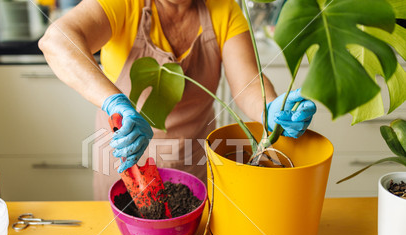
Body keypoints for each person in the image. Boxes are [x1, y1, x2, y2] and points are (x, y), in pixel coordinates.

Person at [39, 0, 316, 200]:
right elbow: (56, 41)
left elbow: (247, 81)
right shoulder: (123, 4)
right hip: (125, 170)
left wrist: (270, 108)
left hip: (192, 170)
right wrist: (114, 101)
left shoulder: (225, 9)